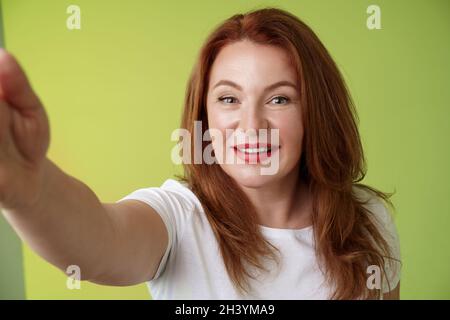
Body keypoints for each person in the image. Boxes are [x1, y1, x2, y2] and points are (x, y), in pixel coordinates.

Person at [0, 7, 401, 300]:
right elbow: (98, 242)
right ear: (204, 115)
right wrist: (32, 192)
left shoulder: (368, 221)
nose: (251, 125)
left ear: (316, 111)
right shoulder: (178, 218)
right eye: (229, 98)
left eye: (279, 99)